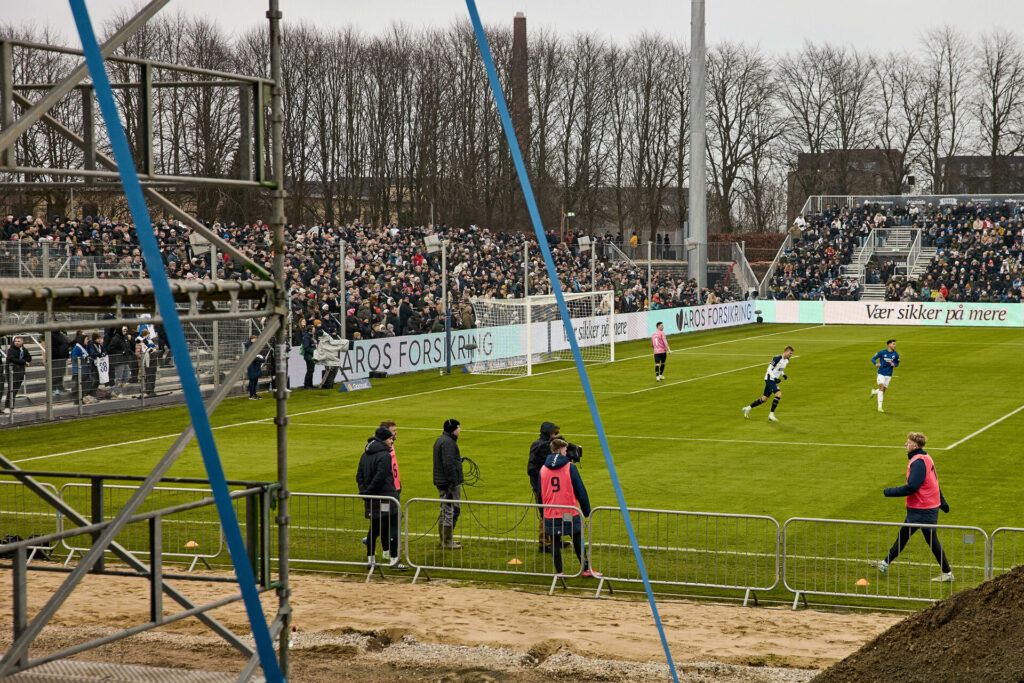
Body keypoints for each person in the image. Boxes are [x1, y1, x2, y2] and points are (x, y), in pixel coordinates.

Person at [874, 432, 953, 582]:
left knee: (930, 540)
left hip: (923, 509)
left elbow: (912, 487)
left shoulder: (917, 462)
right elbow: (933, 482)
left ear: (915, 445)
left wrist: (888, 492)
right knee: (903, 536)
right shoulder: (926, 457)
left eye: (908, 442)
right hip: (922, 508)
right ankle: (885, 563)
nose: (905, 444)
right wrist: (942, 502)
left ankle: (948, 573)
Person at [540, 438, 601, 578]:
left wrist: (543, 513)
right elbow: (581, 491)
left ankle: (560, 572)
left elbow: (540, 493)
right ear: (561, 450)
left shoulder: (543, 469)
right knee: (577, 537)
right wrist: (586, 511)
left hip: (551, 512)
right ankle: (586, 569)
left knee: (554, 540)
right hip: (568, 512)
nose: (567, 453)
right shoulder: (569, 467)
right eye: (566, 450)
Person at [356, 426, 404, 568]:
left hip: (372, 498)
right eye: (390, 438)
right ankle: (394, 560)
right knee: (392, 526)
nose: (392, 441)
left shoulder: (365, 454)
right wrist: (369, 491)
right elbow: (381, 477)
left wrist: (365, 492)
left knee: (374, 528)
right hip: (385, 497)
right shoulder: (384, 455)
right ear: (384, 439)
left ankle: (371, 560)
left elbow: (359, 476)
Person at [528, 421, 560, 552]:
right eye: (555, 433)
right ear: (548, 433)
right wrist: (545, 475)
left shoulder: (549, 445)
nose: (556, 436)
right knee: (545, 514)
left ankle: (555, 539)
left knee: (555, 512)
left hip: (551, 485)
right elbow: (531, 469)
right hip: (541, 486)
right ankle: (544, 543)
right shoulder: (538, 446)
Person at [432, 418, 464, 549]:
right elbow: (448, 464)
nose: (460, 430)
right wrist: (454, 481)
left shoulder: (442, 440)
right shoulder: (448, 443)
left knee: (445, 509)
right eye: (458, 428)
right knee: (451, 510)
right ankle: (447, 541)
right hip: (448, 483)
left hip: (442, 480)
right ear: (453, 430)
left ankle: (444, 540)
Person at [743, 346, 793, 422]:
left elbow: (779, 369)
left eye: (791, 353)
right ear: (786, 352)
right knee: (779, 394)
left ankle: (747, 408)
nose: (791, 355)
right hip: (770, 379)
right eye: (790, 353)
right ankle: (771, 415)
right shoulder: (777, 358)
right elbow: (769, 369)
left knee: (764, 399)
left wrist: (783, 374)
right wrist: (774, 378)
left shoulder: (787, 360)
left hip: (773, 380)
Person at [379, 420, 402, 565]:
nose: (395, 433)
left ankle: (388, 552)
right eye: (393, 431)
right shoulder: (383, 450)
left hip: (395, 489)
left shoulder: (390, 447)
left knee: (389, 521)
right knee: (388, 521)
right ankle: (389, 554)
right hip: (388, 492)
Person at [870, 339, 900, 413]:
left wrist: (895, 364)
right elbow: (873, 358)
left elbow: (897, 362)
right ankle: (879, 407)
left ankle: (874, 392)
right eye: (893, 344)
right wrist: (876, 364)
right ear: (889, 345)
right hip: (881, 373)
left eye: (895, 344)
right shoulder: (882, 352)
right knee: (881, 386)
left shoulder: (895, 354)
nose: (894, 345)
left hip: (889, 374)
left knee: (883, 390)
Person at [4, 336, 31, 412]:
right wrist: (24, 362)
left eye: (19, 341)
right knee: (11, 389)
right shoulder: (11, 350)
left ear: (22, 342)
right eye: (16, 341)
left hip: (20, 371)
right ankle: (7, 407)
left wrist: (24, 361)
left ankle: (12, 406)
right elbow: (12, 359)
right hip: (12, 371)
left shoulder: (23, 350)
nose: (17, 342)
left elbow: (29, 358)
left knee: (15, 390)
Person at [244, 335, 264, 400]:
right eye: (255, 339)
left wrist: (260, 358)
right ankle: (251, 395)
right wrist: (260, 359)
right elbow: (253, 357)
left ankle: (254, 394)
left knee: (255, 381)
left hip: (256, 366)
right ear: (251, 339)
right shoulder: (249, 347)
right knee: (252, 381)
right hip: (251, 366)